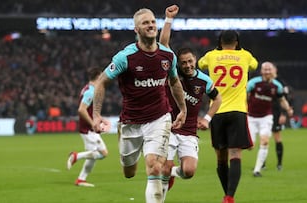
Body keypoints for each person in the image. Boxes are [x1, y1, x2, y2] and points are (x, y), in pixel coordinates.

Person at [92, 5, 187, 203]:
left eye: (153, 22)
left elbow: (175, 81)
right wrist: (96, 114)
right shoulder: (125, 57)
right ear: (136, 29)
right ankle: (126, 152)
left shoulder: (167, 56)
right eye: (145, 23)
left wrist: (183, 108)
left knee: (154, 166)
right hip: (131, 121)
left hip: (159, 118)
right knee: (129, 171)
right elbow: (101, 81)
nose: (151, 25)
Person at [158, 5, 222, 202]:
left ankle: (174, 174)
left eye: (190, 61)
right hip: (169, 128)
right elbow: (163, 44)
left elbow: (217, 98)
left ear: (195, 60)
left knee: (189, 171)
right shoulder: (173, 71)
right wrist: (168, 19)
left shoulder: (205, 80)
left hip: (189, 132)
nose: (187, 65)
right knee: (165, 169)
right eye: (184, 62)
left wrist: (208, 118)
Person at [197, 30, 258, 203]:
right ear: (237, 42)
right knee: (235, 155)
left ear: (220, 41)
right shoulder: (245, 55)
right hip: (238, 111)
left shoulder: (211, 55)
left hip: (216, 111)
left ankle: (227, 194)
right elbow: (254, 65)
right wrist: (239, 52)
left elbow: (200, 65)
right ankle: (229, 196)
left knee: (221, 158)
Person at [247, 61, 293, 177]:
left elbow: (282, 100)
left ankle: (257, 170)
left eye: (269, 69)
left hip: (266, 117)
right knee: (250, 145)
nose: (267, 71)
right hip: (251, 117)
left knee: (265, 141)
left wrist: (288, 109)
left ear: (273, 71)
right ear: (261, 71)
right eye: (265, 69)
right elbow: (244, 96)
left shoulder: (277, 86)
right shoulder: (253, 83)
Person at [66, 67, 110, 187]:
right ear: (98, 77)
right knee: (103, 153)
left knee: (93, 155)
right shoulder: (91, 91)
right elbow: (81, 110)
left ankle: (81, 179)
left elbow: (89, 109)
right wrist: (92, 124)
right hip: (88, 129)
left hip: (87, 128)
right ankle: (76, 156)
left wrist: (99, 118)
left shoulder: (87, 88)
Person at [268, 64, 293, 171]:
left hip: (276, 112)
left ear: (275, 70)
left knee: (277, 137)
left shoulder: (280, 83)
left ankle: (279, 164)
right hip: (264, 112)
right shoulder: (263, 81)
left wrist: (283, 113)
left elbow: (286, 98)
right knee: (264, 138)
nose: (268, 71)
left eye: (270, 69)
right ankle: (262, 164)